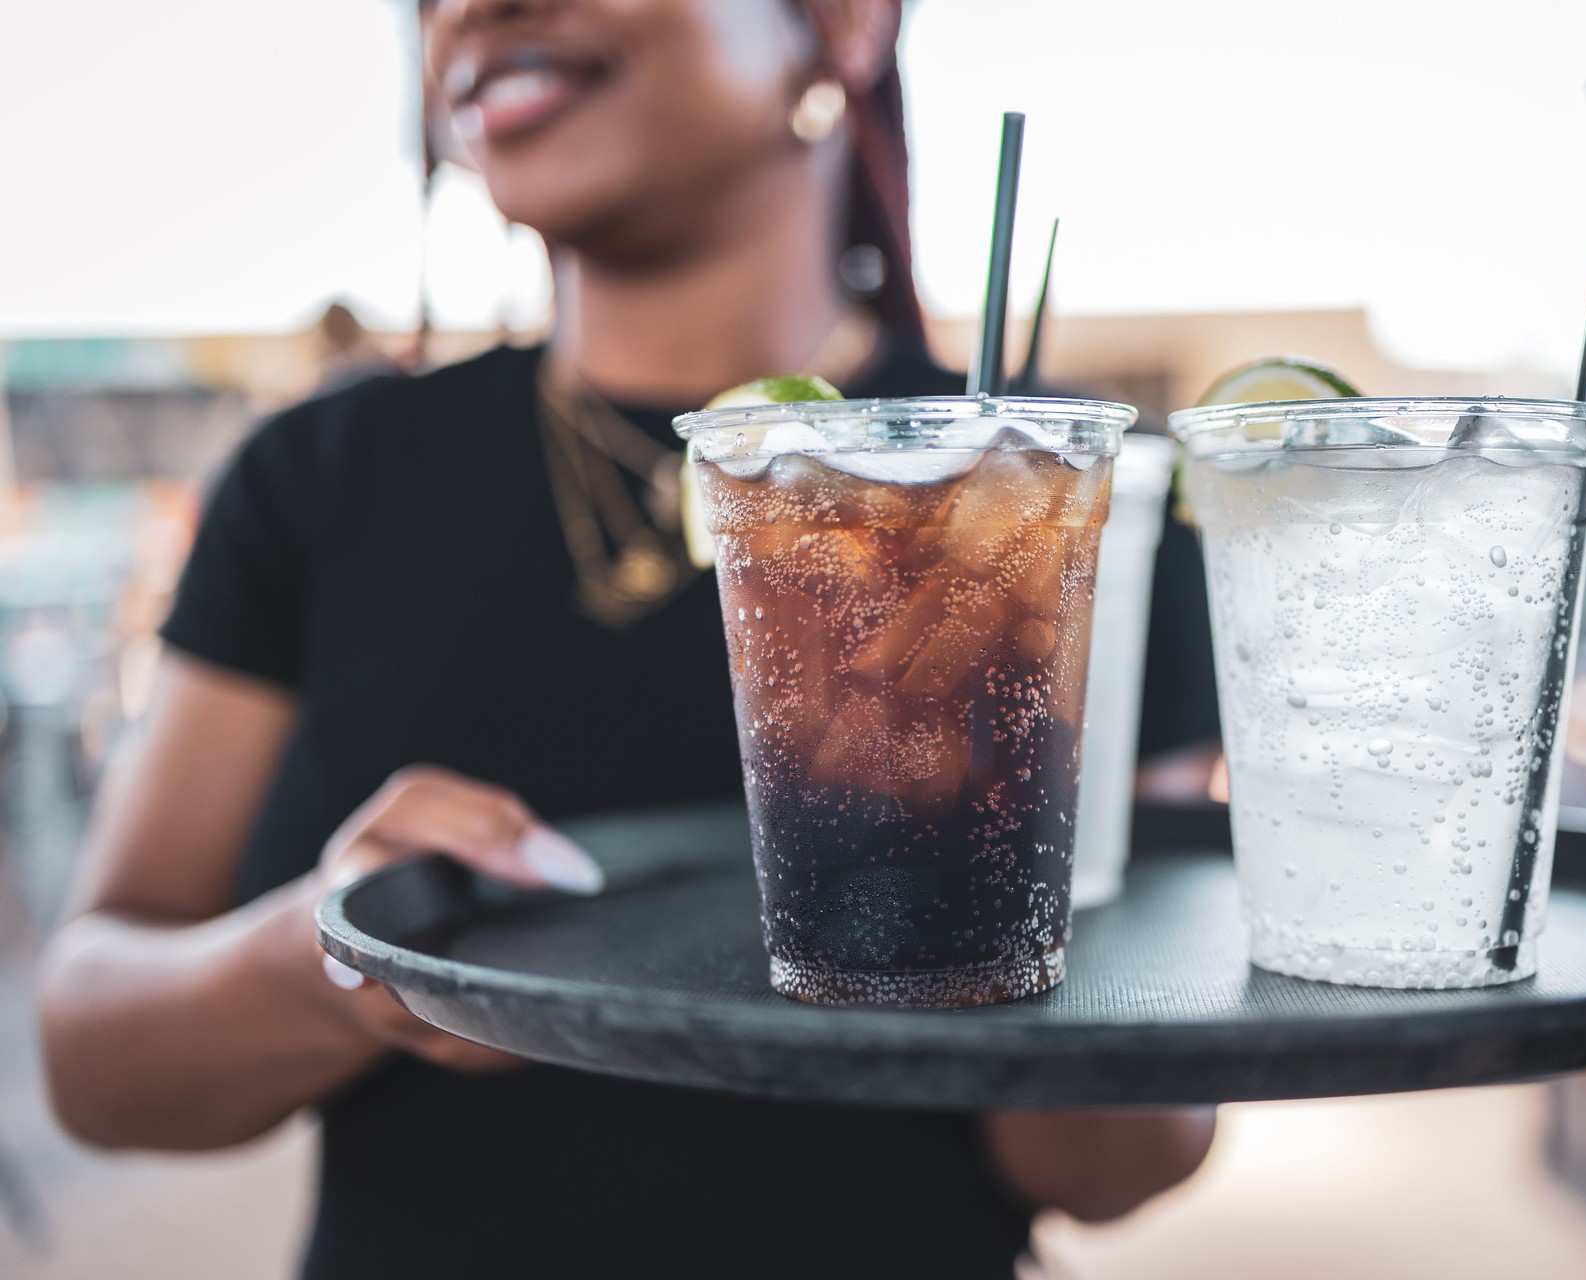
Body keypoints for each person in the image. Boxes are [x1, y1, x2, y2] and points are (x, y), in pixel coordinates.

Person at [35, 2, 1217, 1277]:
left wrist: (1047, 910)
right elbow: (95, 1058)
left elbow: (1120, 1160)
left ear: (844, 27)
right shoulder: (321, 479)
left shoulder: (1053, 508)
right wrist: (347, 948)